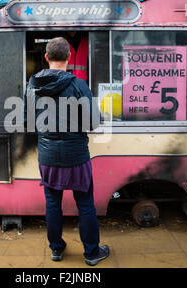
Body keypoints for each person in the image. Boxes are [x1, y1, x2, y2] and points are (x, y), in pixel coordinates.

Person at [24, 37, 109, 266]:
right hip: (77, 157)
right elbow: (94, 123)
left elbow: (27, 122)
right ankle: (92, 253)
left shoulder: (32, 87)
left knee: (52, 203)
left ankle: (56, 250)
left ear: (46, 57)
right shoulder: (79, 85)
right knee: (85, 205)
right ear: (69, 57)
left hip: (48, 156)